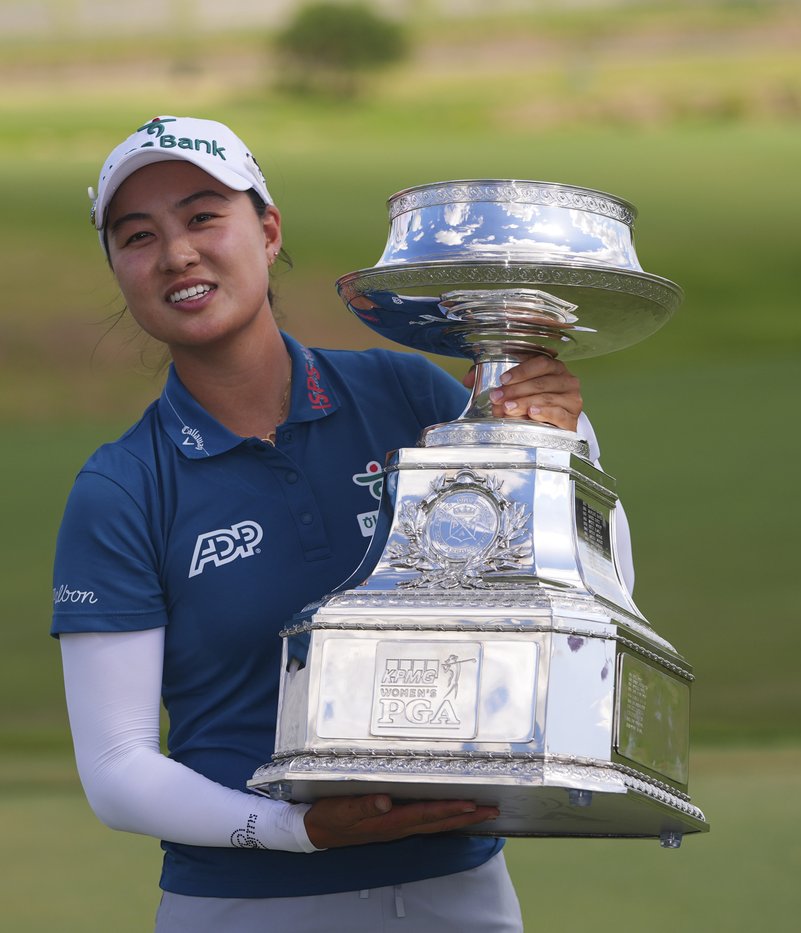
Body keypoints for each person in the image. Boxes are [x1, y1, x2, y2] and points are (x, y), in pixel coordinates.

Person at [51, 115, 630, 932]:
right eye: (137, 236)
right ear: (117, 268)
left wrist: (564, 438)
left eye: (203, 216)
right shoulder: (123, 488)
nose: (177, 252)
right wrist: (297, 829)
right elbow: (116, 768)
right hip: (242, 905)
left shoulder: (407, 398)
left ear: (268, 227)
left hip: (454, 890)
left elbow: (595, 592)